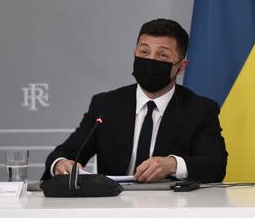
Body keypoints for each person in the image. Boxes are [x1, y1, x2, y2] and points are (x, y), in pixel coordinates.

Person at [43, 18, 227, 182]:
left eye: (162, 55)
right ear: (135, 54)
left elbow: (215, 165)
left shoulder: (199, 110)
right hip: (114, 210)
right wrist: (61, 163)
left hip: (172, 211)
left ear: (180, 67)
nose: (151, 60)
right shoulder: (106, 105)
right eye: (144, 52)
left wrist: (172, 164)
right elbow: (66, 152)